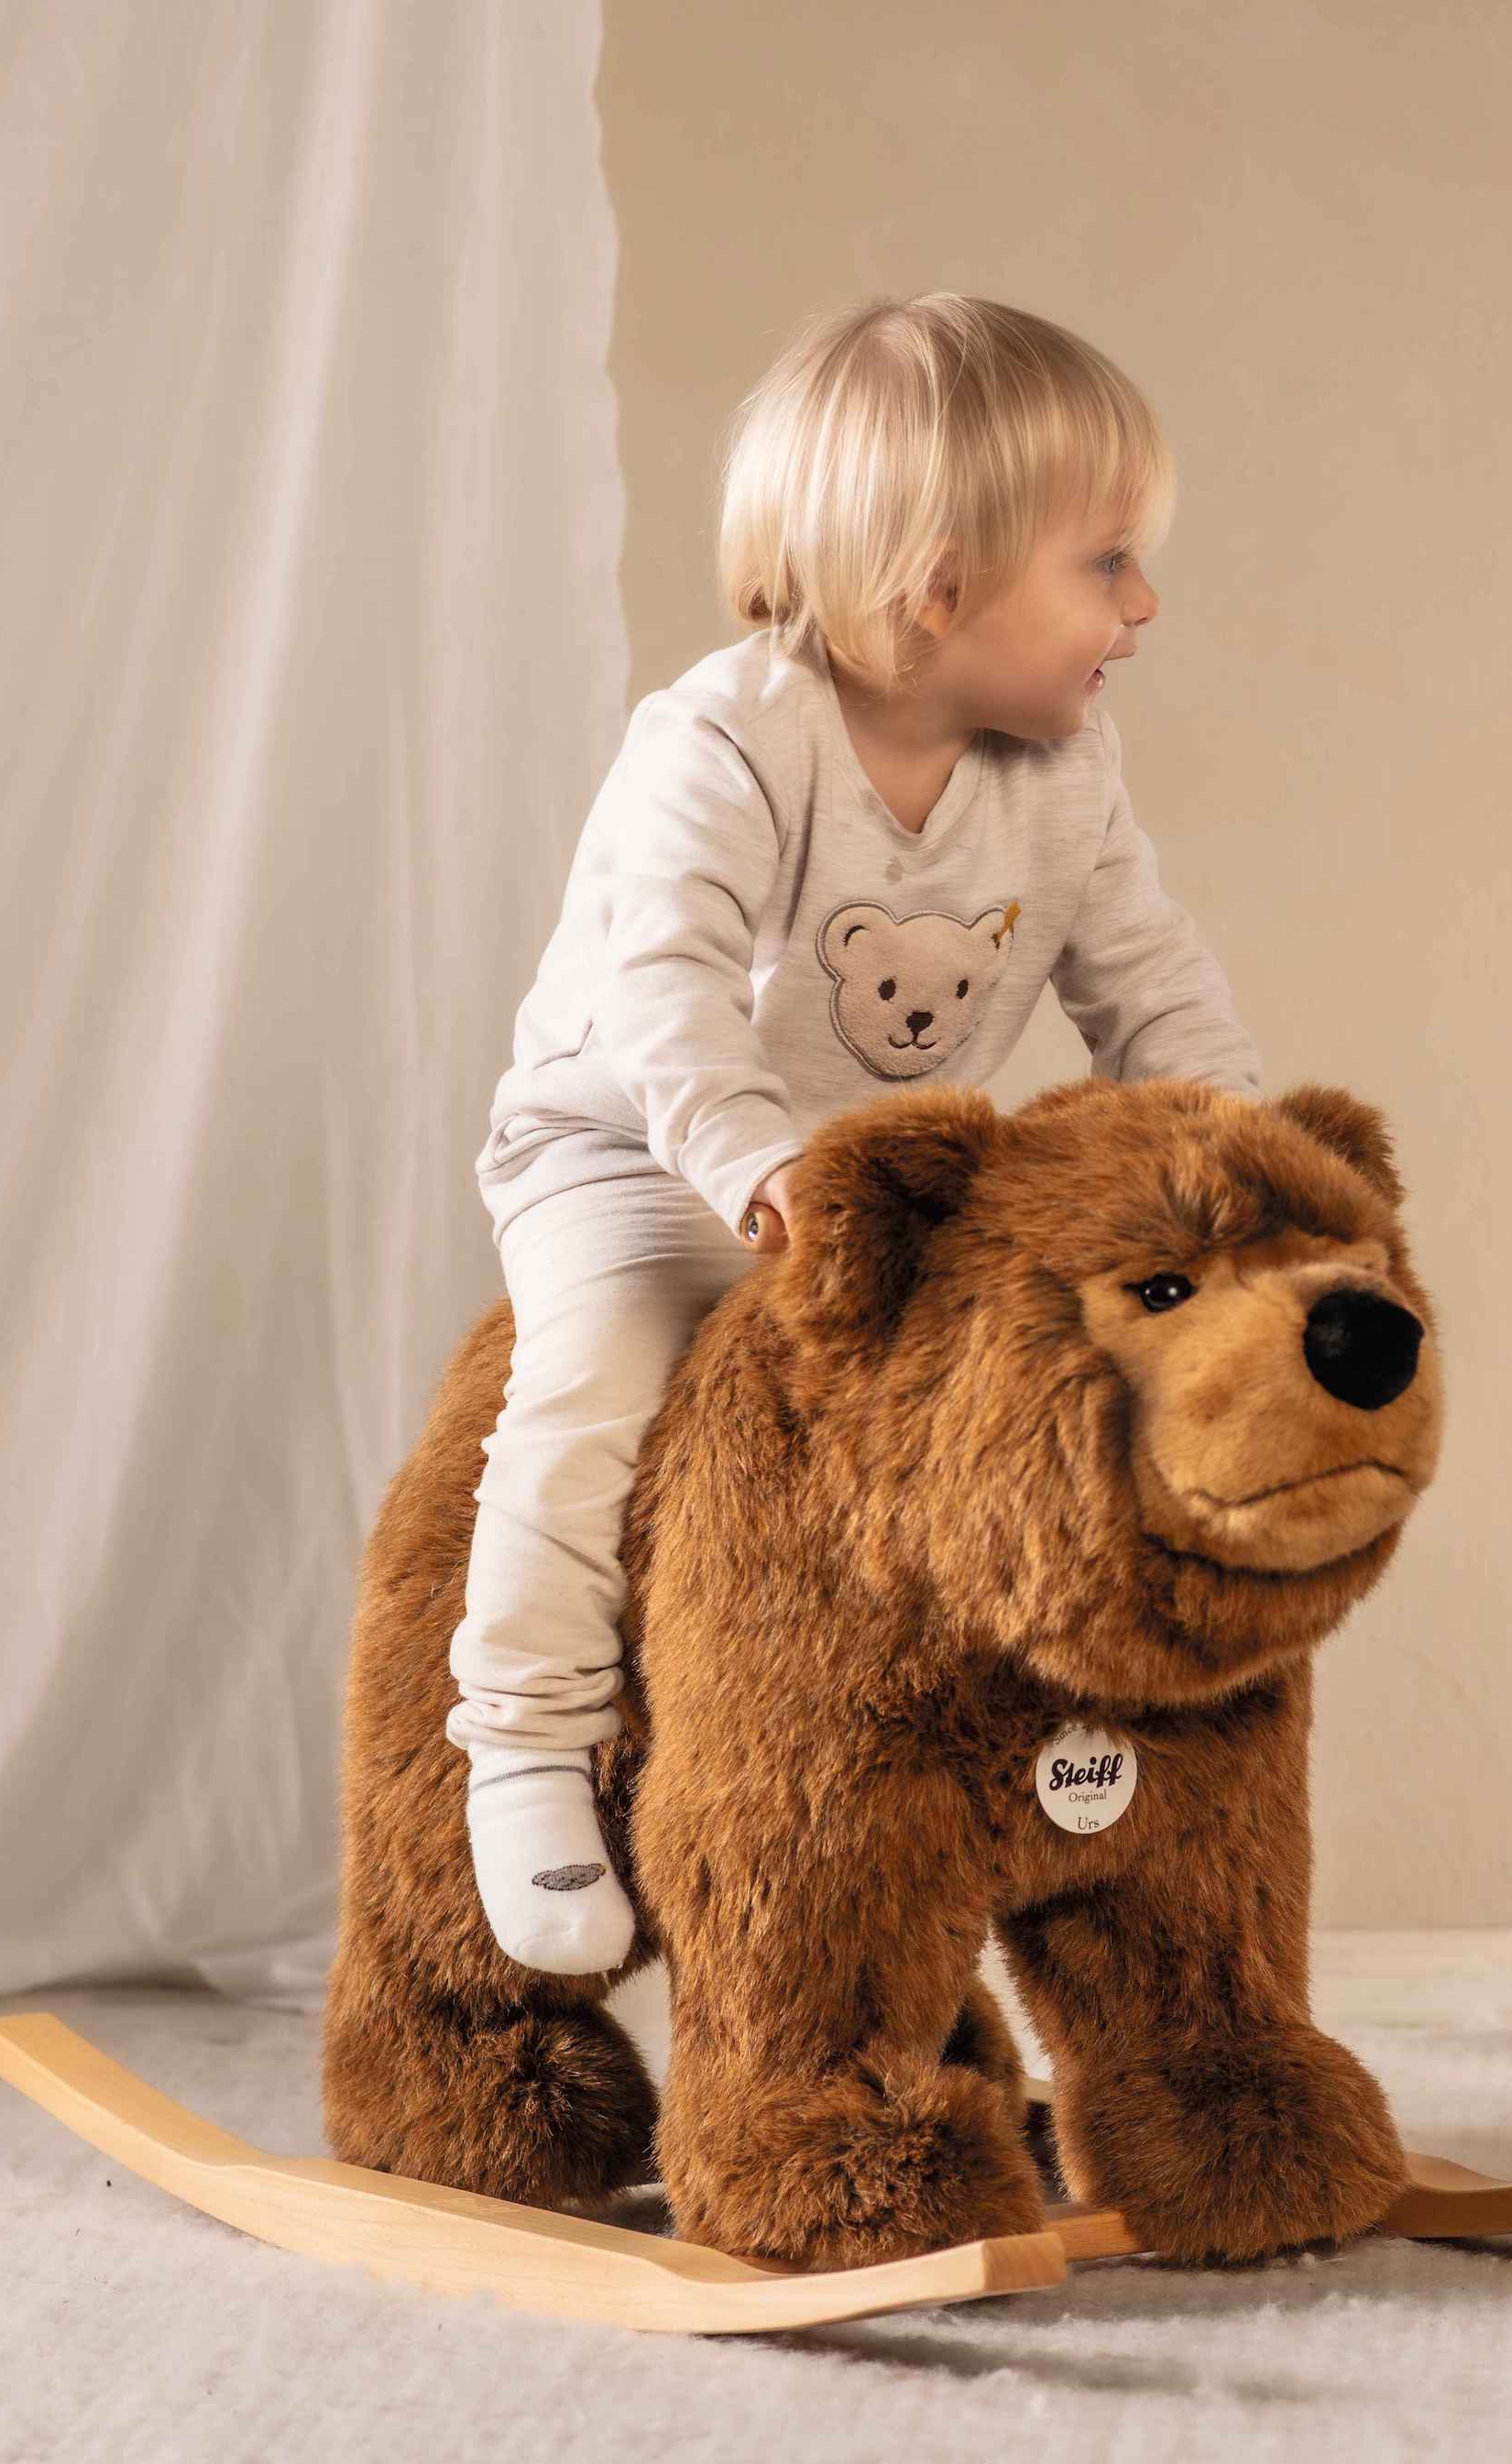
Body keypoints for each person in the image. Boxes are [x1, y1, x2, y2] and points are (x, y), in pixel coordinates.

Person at [455, 296, 1258, 1971]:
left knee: (1022, 1406)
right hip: (636, 1151)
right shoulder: (725, 742)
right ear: (941, 588)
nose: (1144, 606)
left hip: (878, 1185)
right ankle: (525, 1736)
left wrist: (1237, 1167)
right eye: (1109, 563)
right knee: (591, 1375)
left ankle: (947, 1781)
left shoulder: (1065, 771)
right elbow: (662, 984)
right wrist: (756, 1162)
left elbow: (1151, 984)